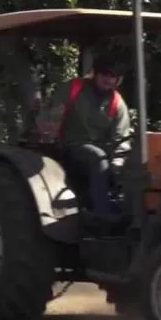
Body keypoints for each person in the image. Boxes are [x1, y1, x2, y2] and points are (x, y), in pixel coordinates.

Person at [55, 54, 133, 222]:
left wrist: (118, 163)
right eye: (105, 74)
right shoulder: (73, 88)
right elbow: (52, 114)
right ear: (96, 74)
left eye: (113, 76)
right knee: (98, 158)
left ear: (118, 80)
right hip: (71, 147)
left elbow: (122, 139)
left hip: (102, 153)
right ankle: (102, 215)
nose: (108, 79)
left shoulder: (117, 103)